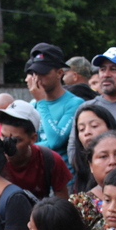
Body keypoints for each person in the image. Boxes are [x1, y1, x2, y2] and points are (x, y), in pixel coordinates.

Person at [0, 100, 72, 199]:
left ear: (33, 138)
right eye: (4, 137)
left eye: (16, 140)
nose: (8, 145)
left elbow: (62, 202)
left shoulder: (49, 159)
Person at [25, 42, 84, 172]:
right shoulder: (33, 104)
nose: (38, 78)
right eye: (35, 72)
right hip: (39, 178)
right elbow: (25, 142)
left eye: (43, 72)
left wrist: (41, 102)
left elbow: (55, 141)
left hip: (65, 181)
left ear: (59, 73)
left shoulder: (75, 103)